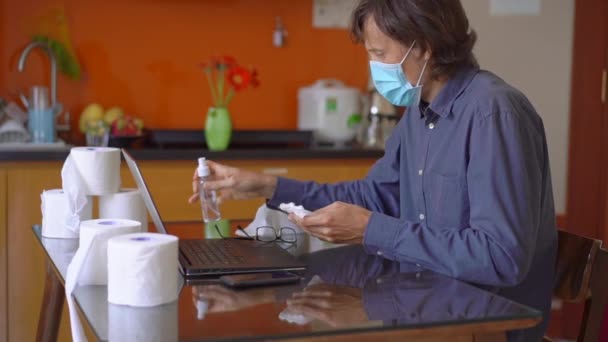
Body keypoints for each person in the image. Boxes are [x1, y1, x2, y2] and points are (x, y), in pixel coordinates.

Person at [190, 0, 556, 313]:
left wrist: (371, 229)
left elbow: (500, 257)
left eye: (379, 54)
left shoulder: (493, 114)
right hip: (420, 302)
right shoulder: (418, 113)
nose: (375, 67)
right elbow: (373, 197)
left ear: (424, 46)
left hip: (483, 322)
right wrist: (267, 185)